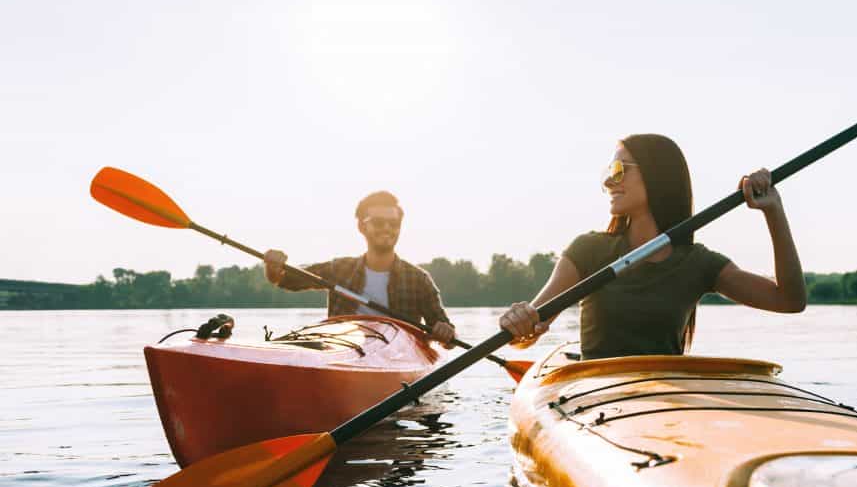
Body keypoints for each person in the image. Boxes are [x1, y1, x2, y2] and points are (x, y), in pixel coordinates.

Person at [498, 134, 806, 359]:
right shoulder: (588, 250)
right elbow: (527, 335)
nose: (608, 182)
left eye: (619, 170)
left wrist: (773, 211)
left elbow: (790, 301)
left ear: (656, 175)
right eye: (608, 172)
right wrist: (520, 322)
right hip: (594, 396)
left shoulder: (699, 264)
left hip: (664, 401)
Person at [263, 190, 456, 346]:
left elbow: (448, 339)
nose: (387, 228)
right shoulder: (339, 269)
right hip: (343, 350)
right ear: (362, 227)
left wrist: (445, 333)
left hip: (399, 355)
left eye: (394, 223)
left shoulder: (418, 279)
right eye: (378, 222)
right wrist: (273, 265)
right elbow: (282, 279)